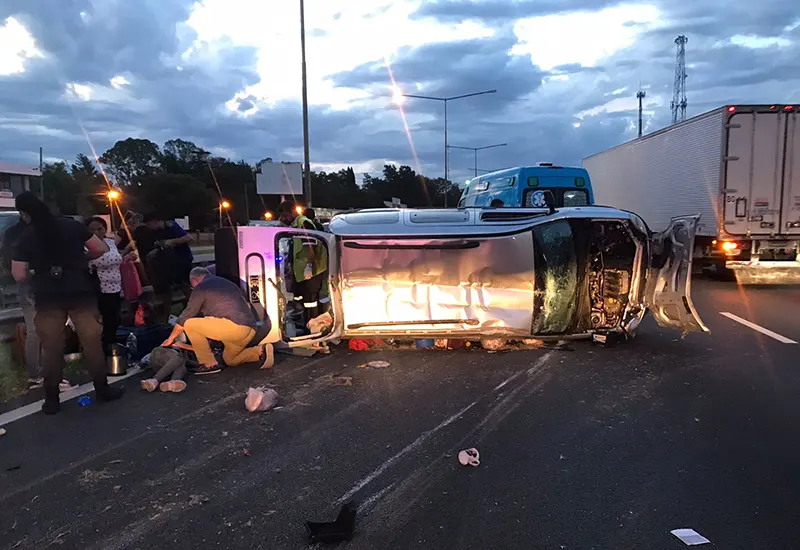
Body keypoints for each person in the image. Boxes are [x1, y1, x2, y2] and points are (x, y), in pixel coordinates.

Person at [11, 192, 123, 414]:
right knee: (91, 343)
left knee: (51, 349)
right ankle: (102, 390)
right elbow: (100, 248)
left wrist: (38, 272)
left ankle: (52, 400)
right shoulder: (71, 226)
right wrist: (80, 260)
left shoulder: (25, 237)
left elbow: (19, 274)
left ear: (24, 214)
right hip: (81, 292)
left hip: (47, 297)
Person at [160, 267, 274, 375]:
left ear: (194, 280)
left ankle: (208, 363)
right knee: (230, 360)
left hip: (235, 327)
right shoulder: (226, 283)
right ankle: (260, 351)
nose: (192, 289)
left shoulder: (201, 288)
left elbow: (185, 316)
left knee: (189, 324)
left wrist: (170, 339)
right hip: (250, 328)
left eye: (192, 286)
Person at [277, 201, 328, 324]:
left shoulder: (304, 223)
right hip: (300, 271)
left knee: (310, 300)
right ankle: (304, 322)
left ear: (293, 212)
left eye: (285, 215)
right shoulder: (296, 225)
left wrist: (309, 266)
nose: (283, 218)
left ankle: (313, 325)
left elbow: (310, 246)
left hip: (312, 270)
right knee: (299, 297)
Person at [137, 213, 194, 320]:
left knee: (186, 288)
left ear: (155, 221)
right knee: (166, 292)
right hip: (167, 265)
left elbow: (188, 238)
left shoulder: (171, 226)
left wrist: (172, 242)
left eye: (149, 224)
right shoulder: (154, 233)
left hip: (182, 261)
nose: (149, 228)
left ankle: (193, 312)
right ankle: (166, 317)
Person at [87, 217, 123, 355]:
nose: (96, 232)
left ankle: (111, 346)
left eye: (100, 229)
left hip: (116, 287)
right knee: (104, 320)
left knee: (115, 319)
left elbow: (116, 258)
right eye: (92, 230)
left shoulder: (110, 242)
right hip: (100, 288)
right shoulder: (86, 246)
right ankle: (102, 350)